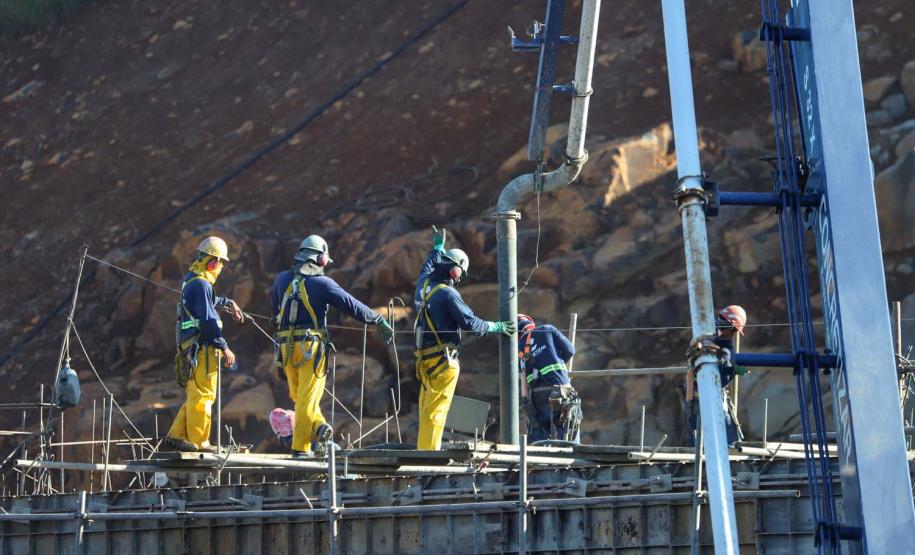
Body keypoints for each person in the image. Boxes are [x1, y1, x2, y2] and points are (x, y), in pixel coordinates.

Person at [271, 235, 394, 457]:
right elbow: (352, 306)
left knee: (299, 397)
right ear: (319, 259)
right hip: (311, 348)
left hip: (285, 346)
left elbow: (274, 311)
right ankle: (300, 448)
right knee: (308, 399)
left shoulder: (281, 279)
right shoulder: (323, 284)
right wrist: (377, 319)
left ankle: (318, 430)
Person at [413, 226, 515, 450]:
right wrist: (496, 326)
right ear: (455, 272)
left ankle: (424, 449)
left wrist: (437, 248)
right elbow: (471, 323)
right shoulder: (448, 294)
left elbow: (427, 267)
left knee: (426, 409)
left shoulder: (424, 286)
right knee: (437, 410)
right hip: (444, 362)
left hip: (424, 361)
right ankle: (429, 456)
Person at [165, 236, 244, 453]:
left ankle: (177, 435)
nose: (219, 267)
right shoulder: (201, 284)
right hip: (203, 350)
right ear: (212, 262)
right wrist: (224, 347)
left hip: (192, 347)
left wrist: (228, 303)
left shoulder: (192, 280)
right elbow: (208, 321)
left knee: (195, 394)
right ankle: (200, 442)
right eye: (220, 263)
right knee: (204, 396)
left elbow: (207, 302)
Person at [681, 305, 747, 447]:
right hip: (706, 402)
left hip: (695, 400)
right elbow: (722, 379)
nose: (734, 334)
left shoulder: (706, 340)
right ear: (732, 327)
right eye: (735, 331)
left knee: (700, 446)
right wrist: (732, 370)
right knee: (730, 445)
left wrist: (733, 369)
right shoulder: (723, 348)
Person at [517, 314, 582, 443]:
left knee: (539, 441)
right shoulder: (547, 329)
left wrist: (526, 403)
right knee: (569, 430)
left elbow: (523, 376)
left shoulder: (518, 349)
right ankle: (571, 460)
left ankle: (539, 461)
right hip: (559, 392)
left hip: (536, 398)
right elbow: (570, 351)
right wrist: (560, 367)